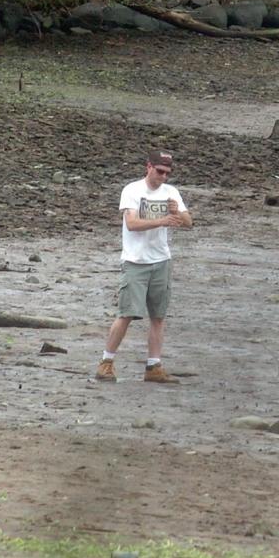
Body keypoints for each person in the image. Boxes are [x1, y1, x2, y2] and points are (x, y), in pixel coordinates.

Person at [95, 150, 193, 384]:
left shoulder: (171, 193)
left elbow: (189, 222)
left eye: (168, 173)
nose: (163, 177)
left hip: (161, 260)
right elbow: (131, 223)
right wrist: (162, 220)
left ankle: (154, 366)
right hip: (135, 261)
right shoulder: (132, 190)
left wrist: (176, 212)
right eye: (160, 171)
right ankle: (106, 362)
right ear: (148, 167)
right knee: (127, 313)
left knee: (158, 316)